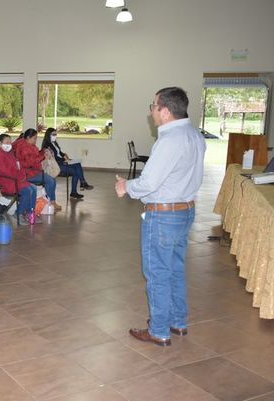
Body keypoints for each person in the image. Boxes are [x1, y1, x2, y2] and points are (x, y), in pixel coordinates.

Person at [115, 87, 206, 347]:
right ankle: (177, 321)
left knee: (157, 272)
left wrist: (126, 187)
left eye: (152, 106)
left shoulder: (169, 140)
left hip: (164, 216)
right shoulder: (194, 135)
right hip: (185, 210)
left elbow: (149, 182)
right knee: (175, 269)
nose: (151, 111)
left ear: (165, 111)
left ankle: (158, 330)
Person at [0, 134, 37, 225]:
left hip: (13, 178)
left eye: (10, 142)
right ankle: (19, 213)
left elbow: (17, 166)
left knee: (33, 188)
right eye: (6, 142)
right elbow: (4, 171)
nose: (9, 144)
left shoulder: (9, 153)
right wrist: (20, 175)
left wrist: (20, 173)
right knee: (27, 191)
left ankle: (29, 213)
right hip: (3, 180)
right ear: (0, 143)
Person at [13, 128, 61, 211]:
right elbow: (31, 162)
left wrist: (42, 152)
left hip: (33, 170)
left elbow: (35, 156)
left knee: (52, 179)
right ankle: (51, 202)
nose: (36, 140)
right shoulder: (24, 147)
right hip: (27, 173)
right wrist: (42, 155)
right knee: (50, 180)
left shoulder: (29, 145)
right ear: (28, 138)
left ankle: (51, 201)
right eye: (34, 138)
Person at [41, 128, 90, 199]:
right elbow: (53, 158)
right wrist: (64, 160)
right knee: (75, 172)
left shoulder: (54, 143)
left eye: (56, 134)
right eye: (53, 134)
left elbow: (59, 153)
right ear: (49, 135)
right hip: (56, 165)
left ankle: (82, 183)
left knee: (78, 164)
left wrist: (64, 155)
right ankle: (77, 189)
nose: (55, 136)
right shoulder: (46, 145)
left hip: (61, 161)